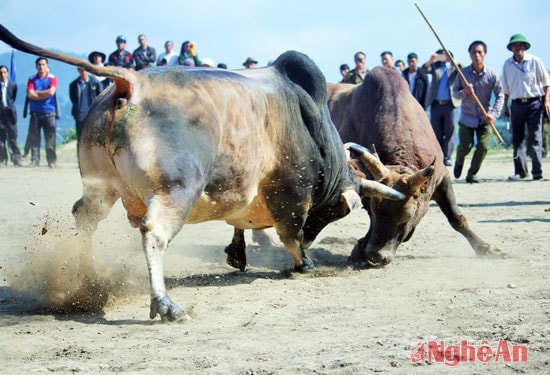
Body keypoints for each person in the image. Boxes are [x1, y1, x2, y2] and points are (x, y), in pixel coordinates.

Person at [452, 41, 504, 183]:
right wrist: (465, 92)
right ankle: (459, 160)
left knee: (483, 146)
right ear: (470, 54)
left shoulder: (491, 74)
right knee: (465, 147)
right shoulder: (463, 74)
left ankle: (472, 174)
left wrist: (493, 113)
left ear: (485, 55)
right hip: (467, 119)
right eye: (474, 52)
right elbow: (455, 94)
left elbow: (500, 95)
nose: (477, 55)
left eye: (480, 52)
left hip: (485, 118)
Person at [501, 33, 550, 181]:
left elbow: (547, 82)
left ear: (525, 47)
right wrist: (505, 106)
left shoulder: (534, 61)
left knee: (535, 138)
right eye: (515, 45)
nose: (518, 48)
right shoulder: (507, 65)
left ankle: (537, 172)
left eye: (521, 45)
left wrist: (547, 101)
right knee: (518, 139)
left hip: (535, 102)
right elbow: (505, 89)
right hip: (516, 104)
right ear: (511, 48)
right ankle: (521, 171)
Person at [421, 49, 462, 166]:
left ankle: (447, 157)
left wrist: (452, 61)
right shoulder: (435, 67)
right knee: (436, 131)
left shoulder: (454, 67)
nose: (443, 57)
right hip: (436, 104)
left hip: (450, 104)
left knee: (450, 130)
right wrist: (431, 60)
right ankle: (438, 156)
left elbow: (463, 69)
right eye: (441, 55)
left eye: (445, 55)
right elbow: (423, 70)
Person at [26, 57, 58, 168]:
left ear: (47, 66)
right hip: (35, 112)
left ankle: (51, 160)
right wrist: (44, 93)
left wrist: (37, 93)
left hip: (49, 112)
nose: (41, 67)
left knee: (50, 138)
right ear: (36, 66)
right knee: (34, 138)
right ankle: (35, 160)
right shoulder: (31, 79)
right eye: (39, 64)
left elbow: (52, 92)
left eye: (43, 64)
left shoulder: (52, 78)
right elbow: (30, 94)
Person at [69, 68, 102, 153]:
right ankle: (81, 161)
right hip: (80, 114)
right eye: (81, 69)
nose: (83, 71)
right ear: (78, 70)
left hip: (94, 114)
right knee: (81, 138)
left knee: (94, 138)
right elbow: (73, 99)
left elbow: (101, 96)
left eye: (85, 69)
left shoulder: (95, 82)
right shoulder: (74, 84)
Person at [0, 65, 21, 166]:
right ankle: (3, 159)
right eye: (1, 73)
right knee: (1, 139)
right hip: (1, 114)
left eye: (4, 72)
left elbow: (13, 97)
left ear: (7, 74)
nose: (2, 75)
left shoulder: (13, 85)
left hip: (10, 114)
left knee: (13, 138)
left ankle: (16, 159)